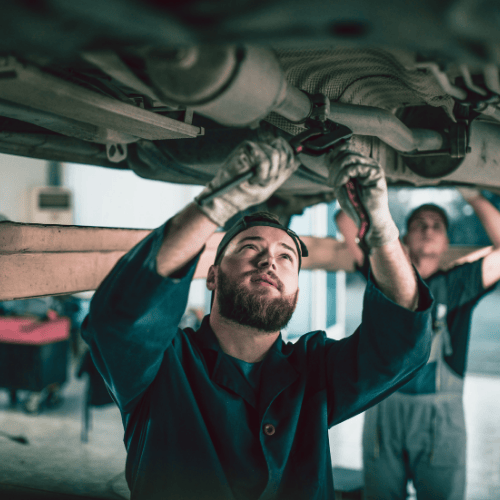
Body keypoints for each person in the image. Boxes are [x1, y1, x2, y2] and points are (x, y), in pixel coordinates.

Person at [82, 137, 433, 500]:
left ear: (296, 290)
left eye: (286, 258)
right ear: (213, 276)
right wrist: (214, 204)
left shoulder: (314, 371)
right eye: (250, 248)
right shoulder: (163, 367)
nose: (269, 261)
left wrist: (382, 232)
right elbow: (119, 320)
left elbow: (401, 346)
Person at [336, 187, 500, 500]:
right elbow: (343, 219)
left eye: (437, 225)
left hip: (440, 419)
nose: (427, 229)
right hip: (384, 411)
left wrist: (471, 193)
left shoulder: (459, 283)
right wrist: (389, 183)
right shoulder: (384, 273)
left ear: (446, 242)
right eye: (419, 224)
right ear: (405, 237)